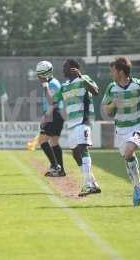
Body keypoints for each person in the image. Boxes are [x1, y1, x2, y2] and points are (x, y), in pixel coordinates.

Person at [102, 56, 140, 206]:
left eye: (113, 70)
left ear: (120, 71)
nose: (111, 73)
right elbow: (106, 110)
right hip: (121, 129)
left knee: (129, 152)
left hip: (138, 125)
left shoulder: (139, 84)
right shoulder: (111, 88)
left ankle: (138, 188)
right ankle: (137, 186)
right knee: (128, 157)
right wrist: (113, 104)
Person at [51, 59, 101, 197]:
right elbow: (53, 100)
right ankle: (93, 183)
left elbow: (96, 91)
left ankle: (86, 184)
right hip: (72, 123)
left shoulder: (84, 79)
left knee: (82, 148)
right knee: (75, 153)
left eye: (65, 67)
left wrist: (81, 77)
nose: (63, 70)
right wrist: (45, 83)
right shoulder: (64, 86)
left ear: (73, 68)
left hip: (83, 120)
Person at [36, 60, 65, 177]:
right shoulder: (53, 82)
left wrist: (45, 117)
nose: (38, 77)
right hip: (56, 114)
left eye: (39, 74)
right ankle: (60, 170)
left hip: (54, 114)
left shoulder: (52, 84)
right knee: (54, 142)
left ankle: (55, 166)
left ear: (45, 74)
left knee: (42, 140)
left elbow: (52, 102)